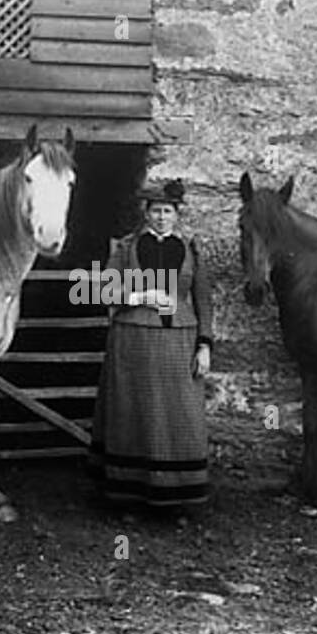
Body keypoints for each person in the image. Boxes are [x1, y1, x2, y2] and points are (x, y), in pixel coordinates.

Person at [89, 178, 212, 509]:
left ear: (177, 215)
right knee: (134, 412)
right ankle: (129, 494)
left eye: (168, 211)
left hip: (180, 342)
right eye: (156, 211)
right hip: (133, 341)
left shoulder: (190, 250)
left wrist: (205, 345)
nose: (161, 217)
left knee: (181, 414)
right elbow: (103, 291)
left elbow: (203, 301)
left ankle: (178, 496)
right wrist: (139, 295)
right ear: (146, 214)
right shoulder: (127, 249)